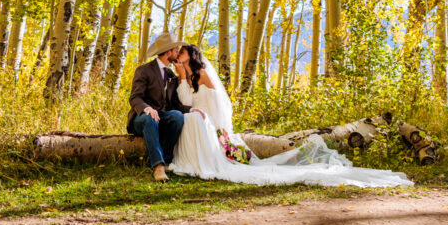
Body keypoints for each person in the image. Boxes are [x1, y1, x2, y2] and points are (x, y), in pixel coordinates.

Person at [168, 44, 413, 188]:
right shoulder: (186, 78)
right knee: (191, 120)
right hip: (198, 118)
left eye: (181, 53)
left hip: (212, 121)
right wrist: (180, 76)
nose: (178, 56)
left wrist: (220, 127)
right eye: (177, 54)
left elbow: (218, 103)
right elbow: (187, 102)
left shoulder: (203, 75)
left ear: (191, 55)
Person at [126, 32, 205, 182]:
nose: (177, 53)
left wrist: (192, 110)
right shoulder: (144, 70)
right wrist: (146, 108)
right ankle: (158, 166)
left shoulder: (170, 74)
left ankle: (167, 160)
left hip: (161, 117)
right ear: (168, 53)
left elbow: (174, 103)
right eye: (176, 50)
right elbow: (135, 97)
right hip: (141, 118)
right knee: (150, 118)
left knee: (176, 116)